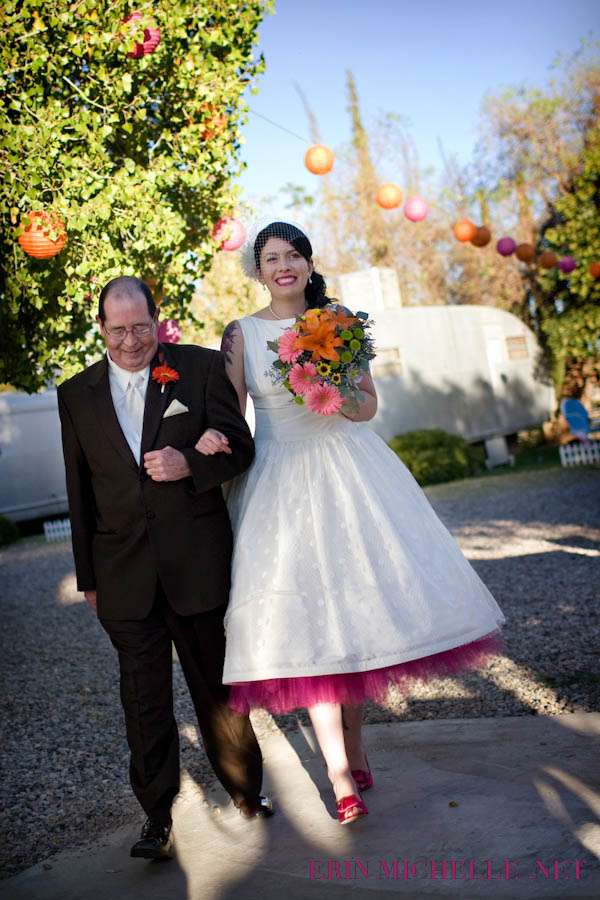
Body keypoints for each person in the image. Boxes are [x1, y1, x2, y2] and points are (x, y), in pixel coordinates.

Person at [196, 221, 506, 826]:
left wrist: (333, 391)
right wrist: (209, 444)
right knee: (306, 624)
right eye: (271, 258)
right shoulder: (241, 334)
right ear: (258, 270)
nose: (283, 266)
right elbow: (233, 420)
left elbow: (367, 408)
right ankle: (339, 776)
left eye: (293, 255)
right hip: (280, 482)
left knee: (355, 614)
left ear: (309, 264)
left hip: (348, 473)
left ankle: (355, 745)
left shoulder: (337, 321)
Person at [57, 276, 273, 861]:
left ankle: (246, 790)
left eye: (140, 328)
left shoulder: (198, 368)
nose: (130, 341)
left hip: (196, 563)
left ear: (157, 320)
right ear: (101, 328)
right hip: (122, 574)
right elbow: (79, 492)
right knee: (143, 701)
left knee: (216, 688)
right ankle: (156, 817)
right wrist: (89, 578)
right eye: (118, 330)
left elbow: (240, 445)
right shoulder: (75, 395)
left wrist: (189, 465)